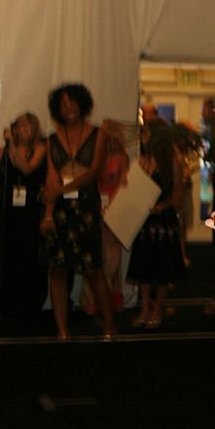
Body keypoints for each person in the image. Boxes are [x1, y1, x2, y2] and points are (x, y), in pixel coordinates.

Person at [41, 83, 116, 340]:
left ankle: (109, 328)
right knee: (58, 269)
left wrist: (63, 189)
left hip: (86, 208)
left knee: (94, 270)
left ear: (82, 104)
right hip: (61, 211)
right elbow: (51, 181)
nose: (68, 108)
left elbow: (93, 172)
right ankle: (63, 331)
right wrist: (48, 214)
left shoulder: (98, 134)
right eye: (62, 105)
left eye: (72, 103)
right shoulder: (51, 140)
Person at [0, 112, 48, 320]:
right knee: (4, 254)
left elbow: (26, 169)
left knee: (27, 255)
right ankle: (1, 304)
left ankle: (26, 306)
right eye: (19, 126)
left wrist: (12, 146)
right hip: (8, 209)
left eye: (27, 127)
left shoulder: (39, 149)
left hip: (29, 210)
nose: (21, 130)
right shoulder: (3, 151)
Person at [127, 119, 185, 329]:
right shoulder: (141, 158)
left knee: (162, 268)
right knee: (143, 267)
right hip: (144, 220)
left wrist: (163, 206)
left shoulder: (171, 158)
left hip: (163, 221)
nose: (145, 136)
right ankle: (144, 308)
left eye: (148, 132)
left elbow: (179, 194)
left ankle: (157, 307)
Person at [93, 118, 129, 314]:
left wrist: (113, 207)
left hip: (115, 207)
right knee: (100, 253)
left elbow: (125, 183)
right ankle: (99, 298)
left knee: (113, 255)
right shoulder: (97, 155)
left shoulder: (121, 156)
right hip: (98, 205)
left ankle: (111, 298)